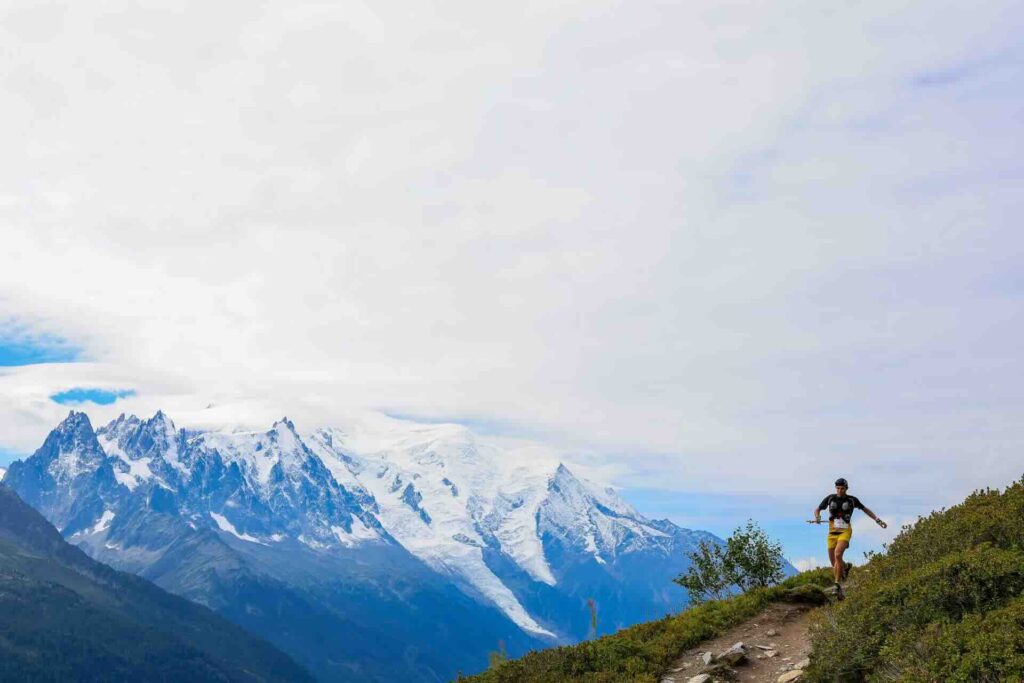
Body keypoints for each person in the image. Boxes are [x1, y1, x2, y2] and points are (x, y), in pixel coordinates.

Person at [813, 478, 886, 596]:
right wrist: (817, 517)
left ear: (846, 488)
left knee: (838, 554)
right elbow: (817, 509)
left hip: (845, 531)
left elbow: (865, 509)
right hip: (832, 533)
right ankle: (846, 567)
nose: (840, 490)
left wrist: (877, 520)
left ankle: (837, 585)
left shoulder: (852, 500)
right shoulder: (830, 498)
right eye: (838, 488)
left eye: (842, 488)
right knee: (834, 563)